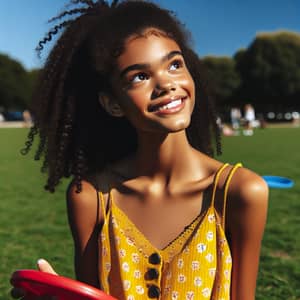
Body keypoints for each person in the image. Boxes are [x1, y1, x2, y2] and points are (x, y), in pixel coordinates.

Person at [12, 1, 268, 299]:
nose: (166, 84)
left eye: (174, 64)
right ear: (113, 103)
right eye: (140, 77)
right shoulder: (92, 198)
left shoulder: (240, 193)